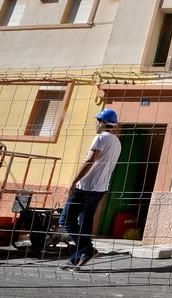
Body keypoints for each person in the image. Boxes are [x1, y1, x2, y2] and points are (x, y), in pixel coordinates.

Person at [58, 108, 121, 271]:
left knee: (65, 220)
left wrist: (74, 181)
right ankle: (76, 258)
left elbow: (89, 161)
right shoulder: (117, 142)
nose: (96, 124)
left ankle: (87, 250)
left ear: (102, 122)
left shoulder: (100, 138)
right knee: (84, 223)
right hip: (100, 188)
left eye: (97, 121)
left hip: (86, 187)